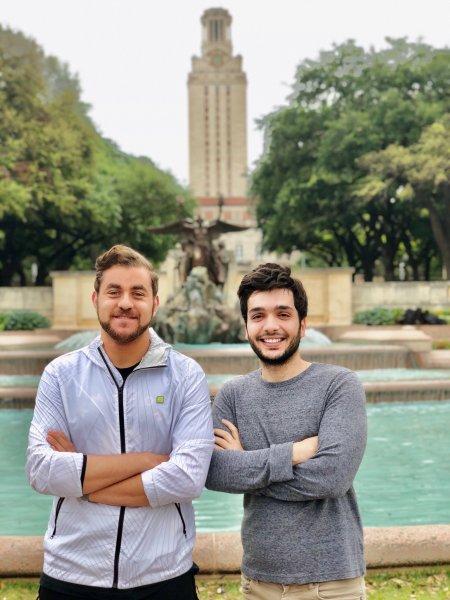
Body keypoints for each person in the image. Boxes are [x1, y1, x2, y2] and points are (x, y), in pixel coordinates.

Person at [26, 245, 214, 599]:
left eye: (138, 293)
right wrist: (143, 462)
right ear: (96, 299)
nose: (125, 303)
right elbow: (41, 470)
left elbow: (188, 478)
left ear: (155, 304)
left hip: (164, 576)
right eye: (114, 292)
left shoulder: (186, 375)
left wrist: (81, 483)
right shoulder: (60, 375)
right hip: (71, 574)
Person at [206, 263, 367, 600]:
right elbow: (215, 473)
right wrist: (294, 454)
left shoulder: (339, 385)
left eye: (283, 313)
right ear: (246, 327)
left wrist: (247, 464)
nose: (271, 326)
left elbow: (332, 477)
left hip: (332, 585)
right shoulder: (233, 395)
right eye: (258, 315)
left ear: (303, 324)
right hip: (258, 584)